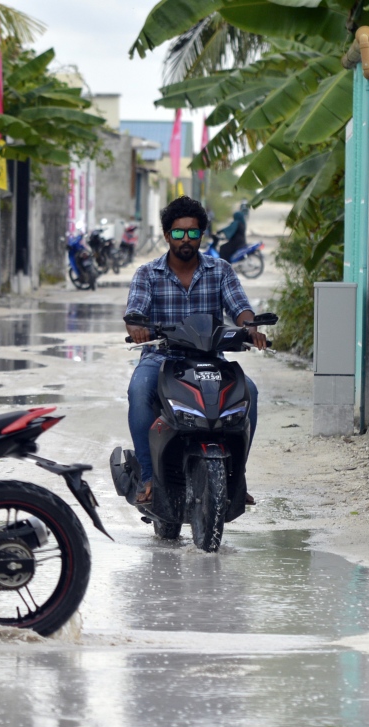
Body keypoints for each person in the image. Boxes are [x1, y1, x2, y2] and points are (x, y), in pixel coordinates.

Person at [124, 195, 267, 506]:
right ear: (167, 236)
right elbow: (135, 311)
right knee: (139, 389)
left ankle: (237, 479)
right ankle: (148, 477)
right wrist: (137, 328)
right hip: (162, 359)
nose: (185, 238)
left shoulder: (221, 270)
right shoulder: (147, 274)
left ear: (202, 234)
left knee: (250, 392)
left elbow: (240, 307)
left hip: (210, 358)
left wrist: (251, 327)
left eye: (192, 232)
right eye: (178, 232)